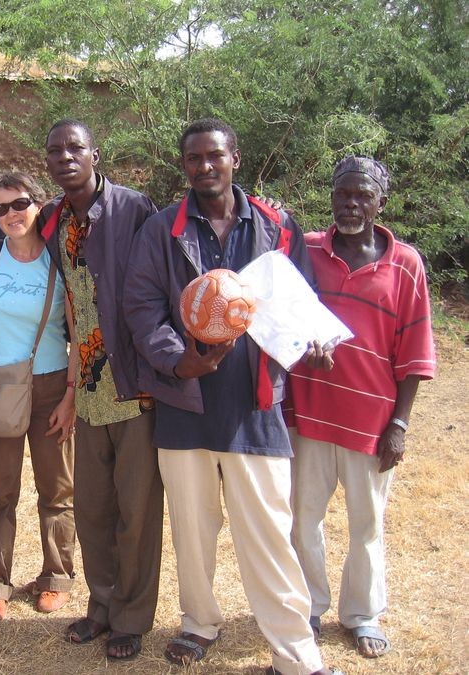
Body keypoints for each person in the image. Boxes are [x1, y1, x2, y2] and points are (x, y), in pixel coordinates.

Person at [124, 118, 338, 675]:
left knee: (269, 534)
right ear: (183, 166)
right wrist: (179, 361)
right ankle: (199, 622)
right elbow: (142, 308)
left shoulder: (276, 225)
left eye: (214, 155)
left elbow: (302, 299)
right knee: (192, 531)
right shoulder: (161, 229)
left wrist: (310, 342)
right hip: (184, 403)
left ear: (235, 158)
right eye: (193, 158)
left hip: (255, 405)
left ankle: (295, 655)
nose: (204, 166)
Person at [286, 156, 436, 658]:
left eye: (363, 196)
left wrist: (400, 424)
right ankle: (308, 606)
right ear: (331, 197)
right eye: (343, 194)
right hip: (309, 414)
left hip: (371, 421)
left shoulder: (405, 264)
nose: (351, 204)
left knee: (366, 524)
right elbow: (281, 312)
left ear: (381, 203)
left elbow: (414, 350)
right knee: (302, 518)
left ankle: (362, 613)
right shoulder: (306, 249)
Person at [40, 119, 164, 660]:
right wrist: (71, 390)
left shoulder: (133, 209)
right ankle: (101, 605)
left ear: (95, 154)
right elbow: (73, 306)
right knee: (92, 510)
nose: (66, 157)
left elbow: (161, 285)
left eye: (76, 148)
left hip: (134, 388)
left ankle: (131, 618)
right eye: (56, 150)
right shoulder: (55, 219)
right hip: (89, 391)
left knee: (136, 513)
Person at [0, 172, 78, 622]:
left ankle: (56, 577)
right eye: (1, 208)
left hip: (50, 386)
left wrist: (70, 395)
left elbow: (77, 330)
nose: (11, 214)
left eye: (20, 203)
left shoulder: (59, 259)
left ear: (38, 204)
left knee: (57, 487)